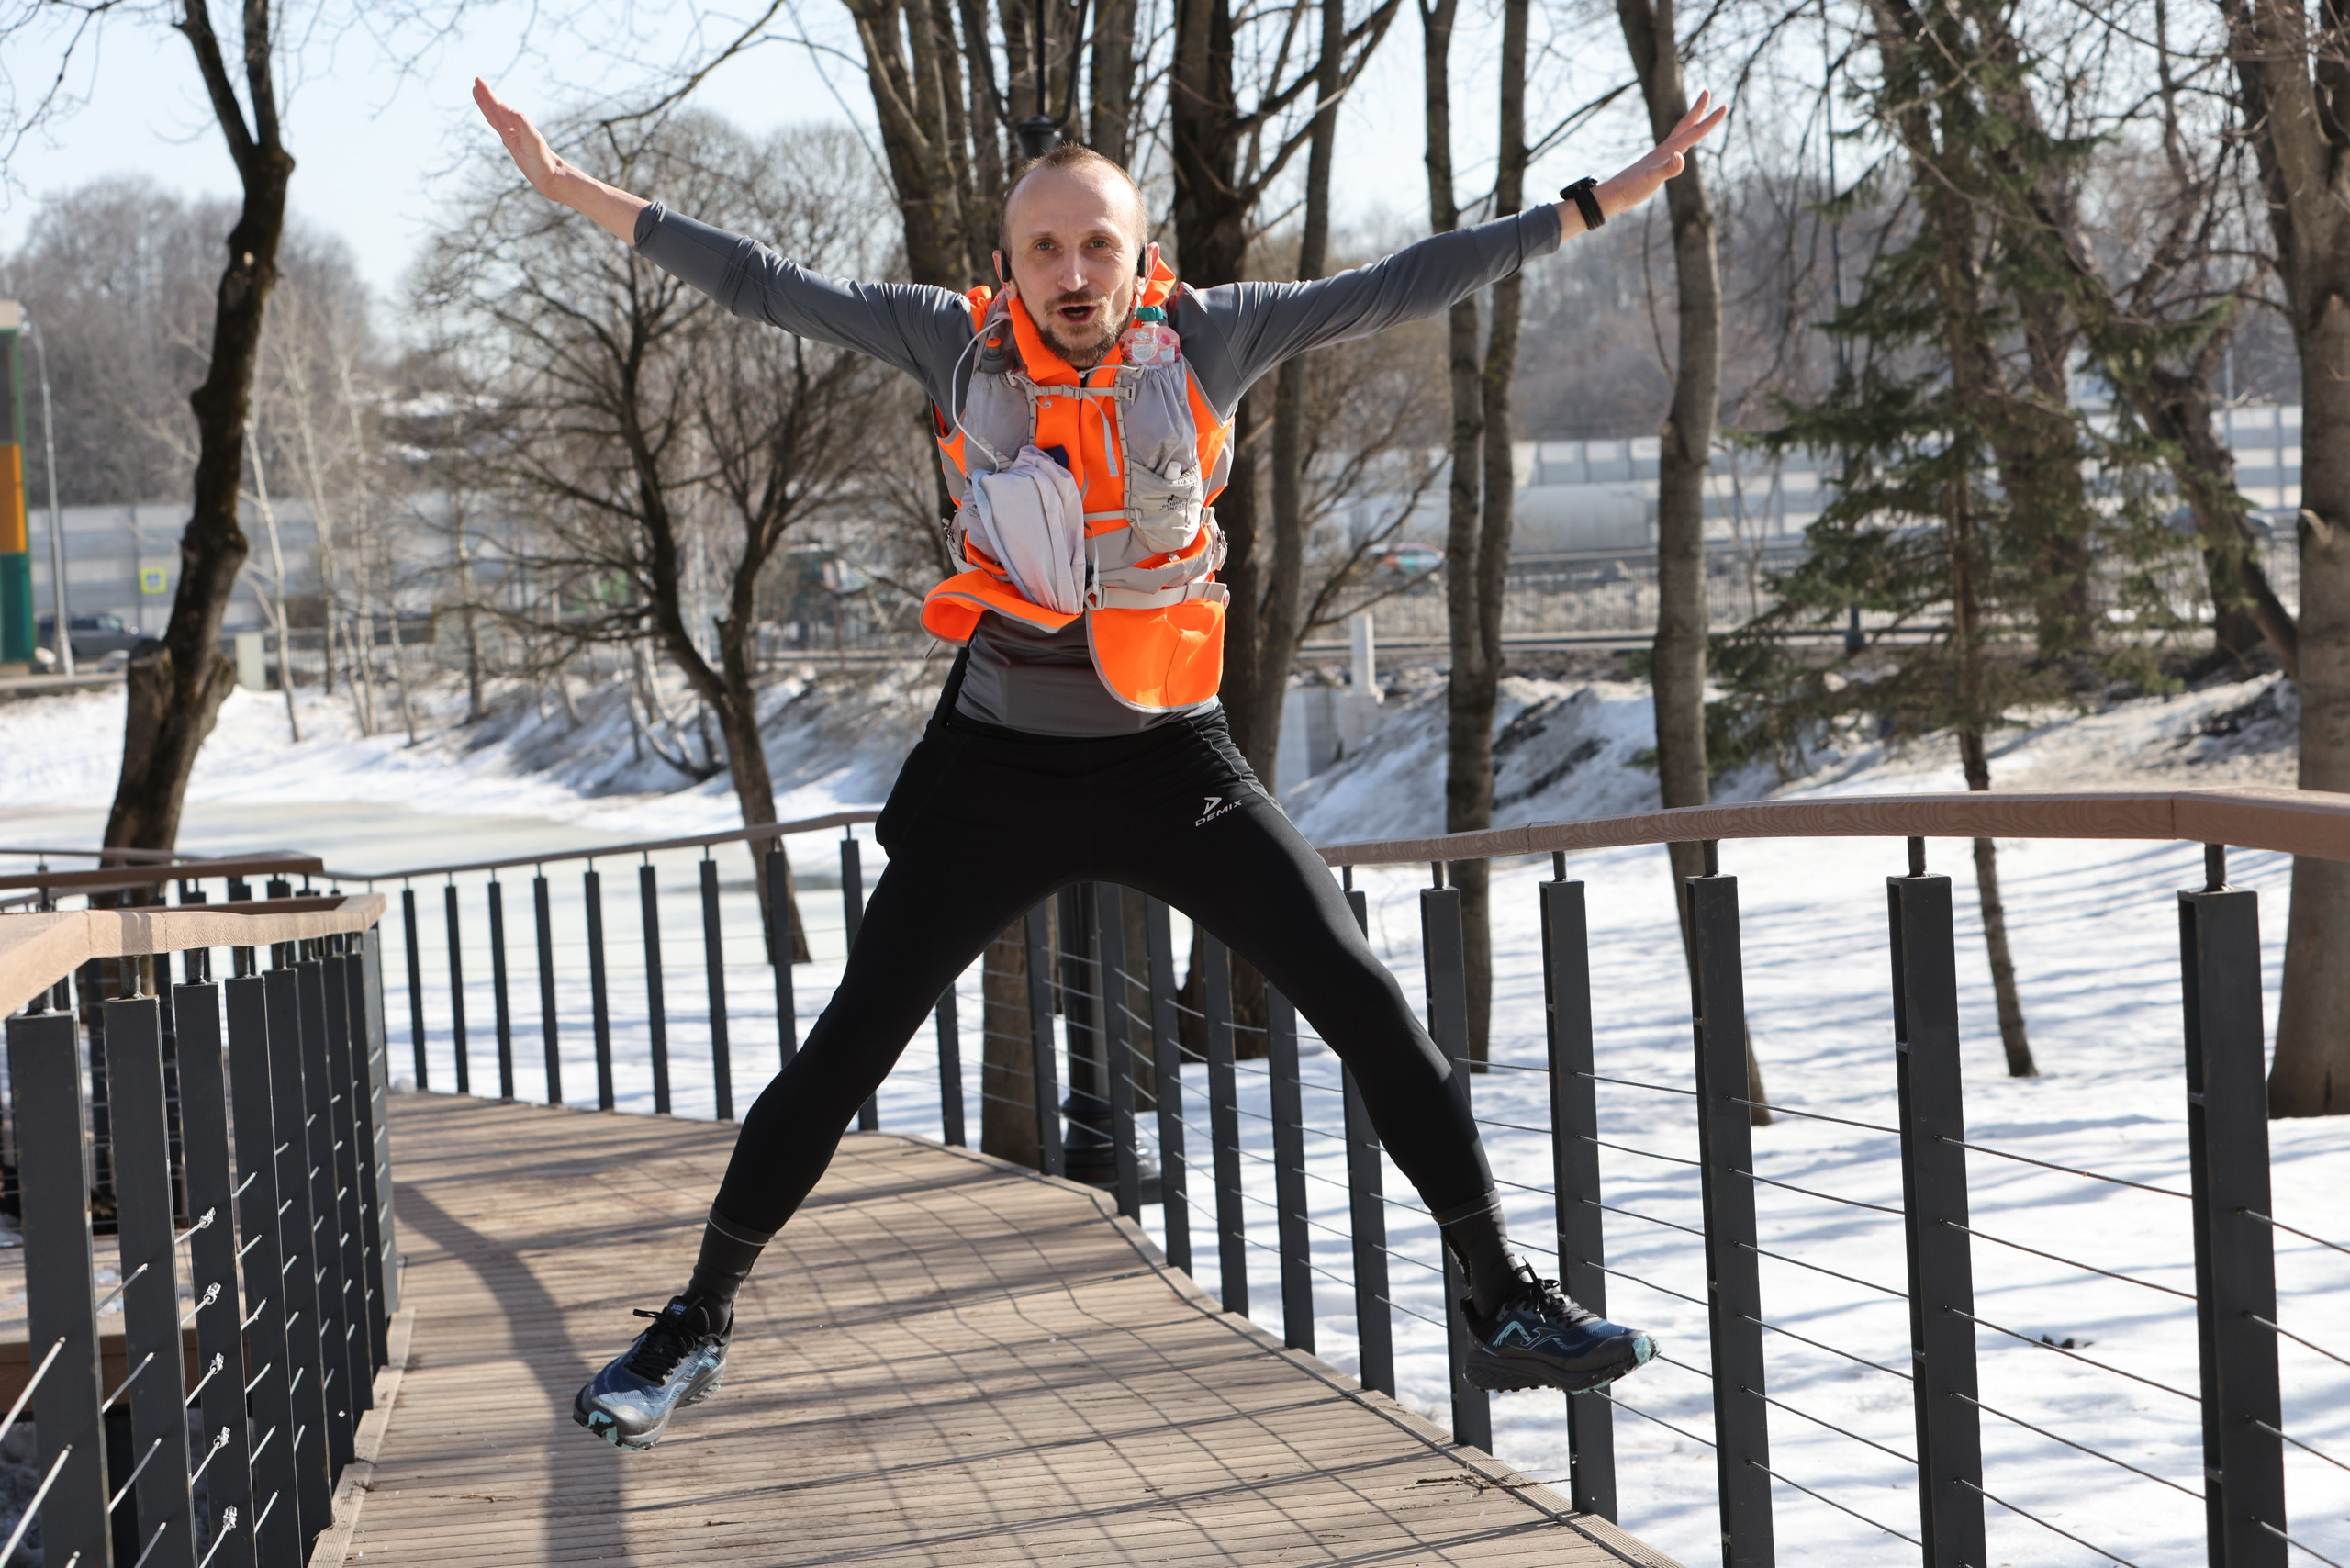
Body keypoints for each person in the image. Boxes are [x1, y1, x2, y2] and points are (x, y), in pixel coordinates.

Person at [472, 76, 1726, 1452]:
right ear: (1003, 270)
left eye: (1099, 246)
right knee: (842, 1053)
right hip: (997, 775)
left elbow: (1408, 280)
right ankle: (695, 1323)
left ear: (1143, 256)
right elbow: (757, 282)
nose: (1074, 274)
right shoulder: (949, 347)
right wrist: (574, 191)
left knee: (1365, 994)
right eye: (1046, 250)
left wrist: (1598, 200)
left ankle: (1500, 1301)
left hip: (1168, 768)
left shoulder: (1210, 341)